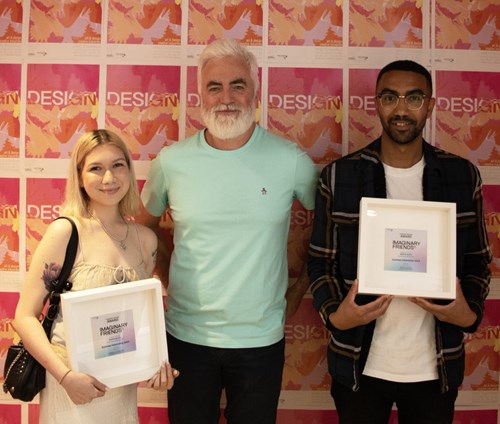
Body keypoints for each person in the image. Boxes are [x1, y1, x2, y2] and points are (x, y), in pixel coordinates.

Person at [140, 38, 318, 424]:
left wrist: (297, 290)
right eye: (214, 87)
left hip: (260, 340)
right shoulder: (171, 162)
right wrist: (171, 279)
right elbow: (144, 230)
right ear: (200, 95)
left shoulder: (290, 161)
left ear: (256, 92)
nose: (226, 98)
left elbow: (330, 230)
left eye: (238, 85)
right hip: (185, 337)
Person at [308, 60, 492, 424]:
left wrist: (466, 314)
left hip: (435, 368)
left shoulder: (460, 175)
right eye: (390, 97)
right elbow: (320, 261)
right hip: (359, 365)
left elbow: (477, 261)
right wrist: (337, 316)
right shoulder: (340, 175)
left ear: (430, 105)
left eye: (414, 98)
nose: (401, 110)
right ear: (377, 103)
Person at [14, 129, 178, 424]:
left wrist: (156, 366)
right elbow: (24, 316)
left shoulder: (146, 240)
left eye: (118, 165)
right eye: (96, 168)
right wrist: (65, 377)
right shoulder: (66, 232)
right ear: (79, 177)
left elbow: (139, 319)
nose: (109, 178)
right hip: (71, 387)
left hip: (121, 391)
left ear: (129, 169)